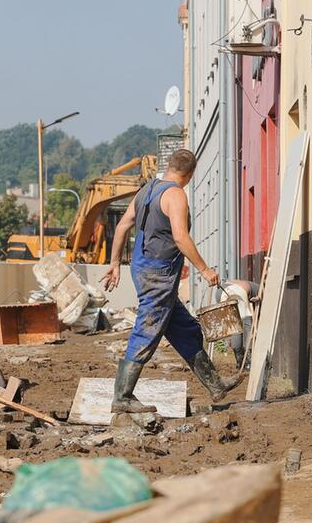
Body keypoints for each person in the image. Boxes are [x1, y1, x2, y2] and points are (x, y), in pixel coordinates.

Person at [101, 148, 245, 413]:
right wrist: (203, 269)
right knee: (147, 329)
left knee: (183, 327)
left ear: (169, 166)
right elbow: (180, 237)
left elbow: (122, 227)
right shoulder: (176, 195)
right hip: (159, 274)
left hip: (143, 268)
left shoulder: (146, 190)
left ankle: (215, 384)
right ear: (190, 174)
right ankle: (122, 396)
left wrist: (114, 264)